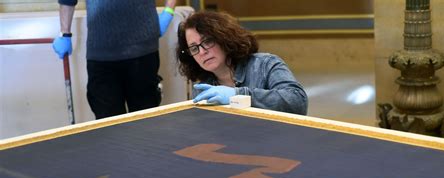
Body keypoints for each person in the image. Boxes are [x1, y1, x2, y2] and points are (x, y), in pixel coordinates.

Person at [52, 0, 177, 119]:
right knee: (109, 126)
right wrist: (64, 34)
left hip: (142, 52)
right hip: (101, 54)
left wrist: (169, 12)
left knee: (146, 122)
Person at [176, 11, 308, 115]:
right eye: (194, 48)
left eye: (208, 41)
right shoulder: (202, 88)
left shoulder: (265, 64)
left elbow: (297, 102)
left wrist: (239, 95)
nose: (202, 52)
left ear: (223, 38)